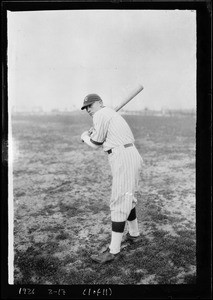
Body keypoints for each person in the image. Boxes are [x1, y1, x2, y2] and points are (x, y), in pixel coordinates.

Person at [81, 93, 143, 264]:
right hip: (129, 154)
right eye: (86, 107)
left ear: (100, 103)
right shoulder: (107, 113)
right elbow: (101, 136)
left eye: (90, 105)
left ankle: (113, 251)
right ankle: (134, 235)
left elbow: (95, 143)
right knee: (127, 197)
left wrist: (84, 136)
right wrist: (93, 133)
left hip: (122, 156)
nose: (88, 109)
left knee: (118, 201)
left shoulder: (101, 114)